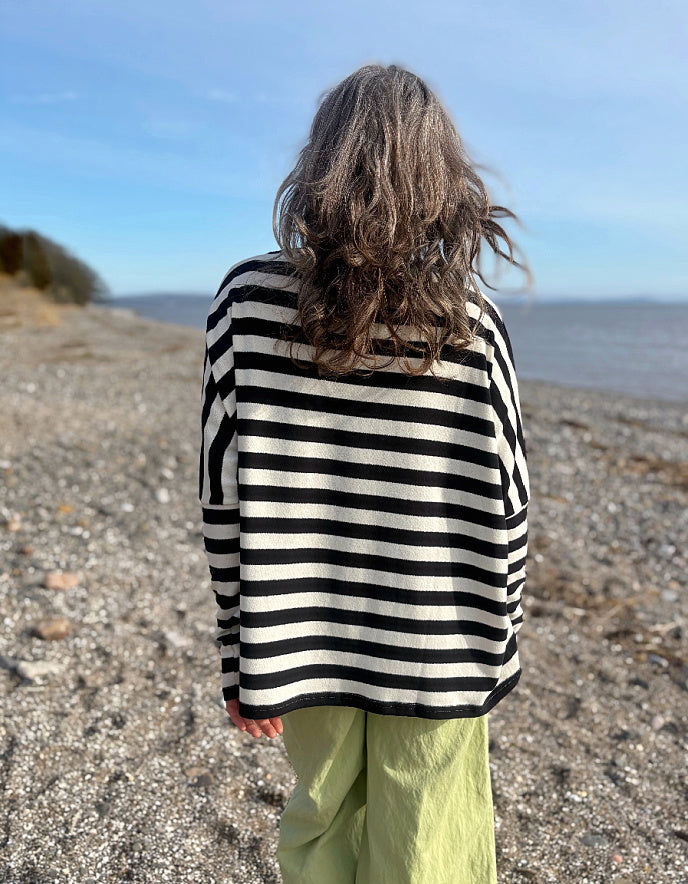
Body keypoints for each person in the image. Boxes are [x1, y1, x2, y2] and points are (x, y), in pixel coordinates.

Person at [199, 63, 532, 884]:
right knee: (428, 843)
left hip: (300, 638)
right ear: (443, 178)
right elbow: (508, 505)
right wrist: (500, 639)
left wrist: (244, 654)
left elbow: (223, 495)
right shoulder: (471, 322)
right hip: (437, 641)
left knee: (321, 825)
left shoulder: (245, 302)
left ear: (319, 166)